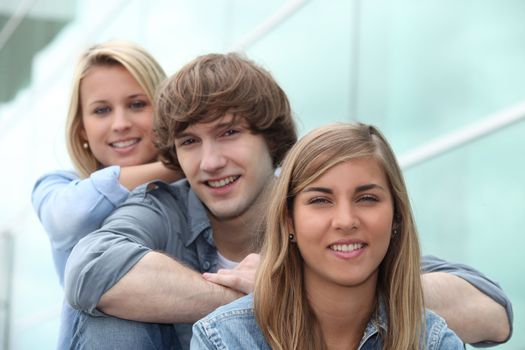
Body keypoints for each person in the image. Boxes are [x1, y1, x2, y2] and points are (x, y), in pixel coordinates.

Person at [64, 53, 512, 349]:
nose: (212, 161)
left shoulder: (318, 208)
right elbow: (90, 270)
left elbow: (492, 314)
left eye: (229, 132)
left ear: (271, 140)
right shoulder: (163, 208)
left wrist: (322, 293)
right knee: (111, 319)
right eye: (190, 142)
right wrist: (271, 298)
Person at [190, 122, 464, 349]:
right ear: (289, 221)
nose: (346, 221)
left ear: (396, 217)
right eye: (321, 200)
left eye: (367, 198)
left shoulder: (435, 342)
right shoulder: (225, 340)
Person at [31, 40, 182, 349]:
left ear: (164, 110)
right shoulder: (56, 186)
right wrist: (177, 166)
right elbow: (70, 216)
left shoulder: (200, 190)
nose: (121, 123)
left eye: (137, 104)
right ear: (82, 129)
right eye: (102, 110)